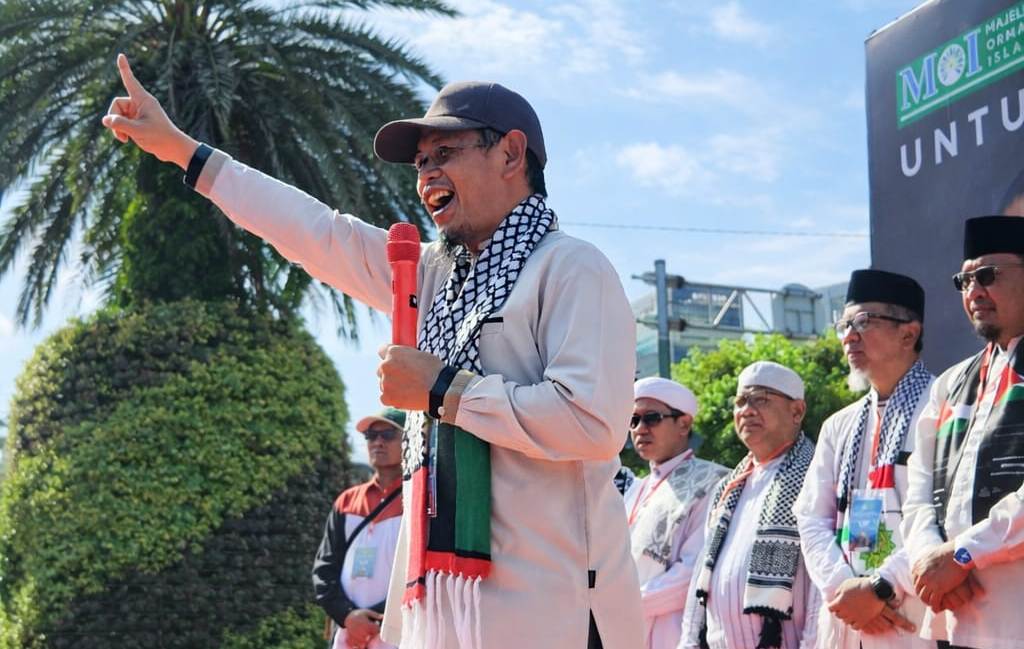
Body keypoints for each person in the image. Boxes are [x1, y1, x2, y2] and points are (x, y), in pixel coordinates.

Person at [102, 55, 643, 649]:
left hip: (552, 609)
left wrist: (443, 389)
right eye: (421, 163)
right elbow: (317, 232)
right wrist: (183, 151)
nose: (427, 176)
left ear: (512, 154)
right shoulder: (432, 276)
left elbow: (591, 422)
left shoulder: (571, 267)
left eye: (445, 153)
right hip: (440, 607)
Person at [902, 215, 1024, 649]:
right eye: (964, 280)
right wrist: (928, 559)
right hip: (961, 618)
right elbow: (918, 490)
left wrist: (963, 553)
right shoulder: (951, 383)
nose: (973, 292)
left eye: (987, 275)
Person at [793, 269, 930, 648]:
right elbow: (811, 516)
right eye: (844, 325)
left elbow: (946, 515)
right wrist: (844, 586)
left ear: (909, 333)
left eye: (864, 322)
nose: (849, 336)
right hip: (847, 614)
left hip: (913, 611)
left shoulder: (941, 406)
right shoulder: (840, 425)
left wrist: (881, 587)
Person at [680, 361, 820, 649]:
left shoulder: (817, 476)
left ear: (797, 411)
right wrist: (688, 643)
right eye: (741, 401)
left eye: (761, 400)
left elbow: (822, 585)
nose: (747, 410)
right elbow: (701, 577)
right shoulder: (728, 487)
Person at [625, 377, 728, 649]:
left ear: (684, 424)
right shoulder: (637, 488)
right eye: (633, 420)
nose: (640, 429)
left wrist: (625, 602)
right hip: (626, 628)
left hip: (674, 631)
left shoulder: (712, 481)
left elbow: (694, 571)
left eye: (652, 418)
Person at [313, 409, 405, 649]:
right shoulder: (347, 500)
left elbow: (422, 574)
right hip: (348, 633)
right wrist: (348, 616)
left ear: (410, 440)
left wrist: (378, 620)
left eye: (388, 434)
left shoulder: (420, 499)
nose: (378, 442)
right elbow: (324, 569)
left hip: (398, 633)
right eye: (371, 436)